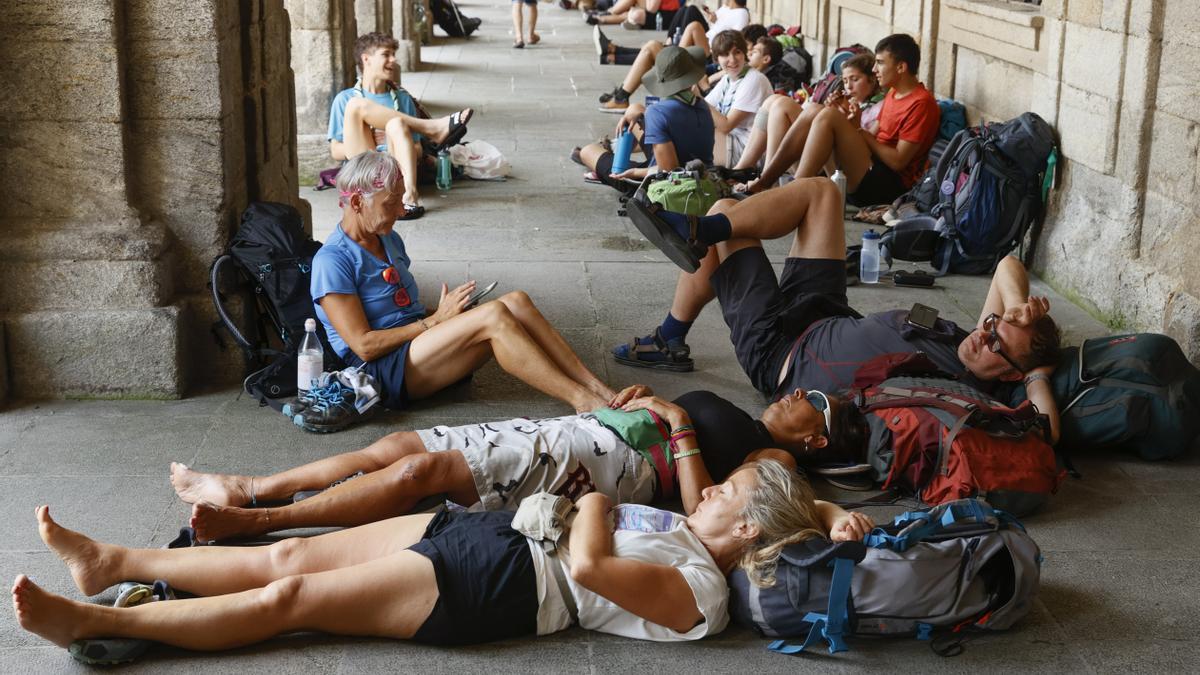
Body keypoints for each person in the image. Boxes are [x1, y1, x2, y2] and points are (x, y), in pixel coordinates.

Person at [15, 461, 876, 653]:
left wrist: (597, 504)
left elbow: (588, 568)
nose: (710, 488)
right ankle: (113, 559)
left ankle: (91, 620)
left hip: (501, 584)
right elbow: (799, 505)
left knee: (295, 600)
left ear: (754, 530)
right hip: (488, 533)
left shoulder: (702, 591)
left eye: (727, 489)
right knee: (294, 556)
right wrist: (838, 511)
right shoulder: (696, 531)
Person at [618, 178, 1065, 442]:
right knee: (824, 193)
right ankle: (697, 235)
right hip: (824, 311)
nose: (985, 333)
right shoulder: (975, 338)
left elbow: (1048, 428)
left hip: (782, 354)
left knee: (727, 213)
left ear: (1010, 374)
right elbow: (1009, 265)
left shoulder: (973, 387)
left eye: (997, 342)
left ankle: (671, 328)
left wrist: (1038, 372)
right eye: (993, 323)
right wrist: (1019, 311)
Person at [169, 382, 868, 541]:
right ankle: (253, 485)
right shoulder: (752, 416)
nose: (797, 391)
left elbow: (711, 507)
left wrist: (680, 423)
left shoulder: (772, 452)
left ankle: (258, 521)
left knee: (423, 472)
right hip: (591, 430)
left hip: (611, 463)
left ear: (815, 440)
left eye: (815, 401)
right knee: (404, 448)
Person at [308, 152, 616, 429]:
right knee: (493, 315)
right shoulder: (332, 261)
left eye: (401, 200)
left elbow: (403, 312)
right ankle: (582, 401)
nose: (401, 211)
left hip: (417, 344)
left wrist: (449, 315)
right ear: (359, 203)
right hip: (382, 371)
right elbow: (364, 346)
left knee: (517, 302)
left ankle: (599, 390)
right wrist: (437, 321)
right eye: (391, 203)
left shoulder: (387, 239)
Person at [748, 33, 938, 207]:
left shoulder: (921, 103)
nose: (874, 69)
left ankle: (792, 195)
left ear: (901, 67)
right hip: (868, 168)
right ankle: (765, 181)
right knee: (816, 109)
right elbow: (873, 137)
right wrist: (850, 122)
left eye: (880, 63)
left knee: (828, 116)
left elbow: (898, 162)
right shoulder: (894, 93)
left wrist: (857, 130)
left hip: (888, 187)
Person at [328, 32, 473, 217]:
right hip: (364, 172)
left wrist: (392, 143)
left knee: (396, 124)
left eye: (393, 54)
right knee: (356, 105)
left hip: (394, 172)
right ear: (366, 59)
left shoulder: (403, 99)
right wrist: (371, 137)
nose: (393, 60)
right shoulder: (345, 99)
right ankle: (432, 128)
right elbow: (336, 151)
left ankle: (410, 196)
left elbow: (418, 150)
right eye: (386, 54)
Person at [574, 46, 714, 186]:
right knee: (634, 109)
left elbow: (668, 173)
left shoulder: (657, 113)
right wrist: (640, 116)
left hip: (667, 187)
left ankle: (611, 162)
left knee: (587, 151)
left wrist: (635, 172)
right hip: (702, 175)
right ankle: (613, 156)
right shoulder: (702, 105)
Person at [734, 50, 883, 175]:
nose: (848, 86)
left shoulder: (877, 108)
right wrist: (832, 110)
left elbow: (861, 147)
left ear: (872, 80)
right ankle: (759, 172)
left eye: (855, 79)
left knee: (784, 104)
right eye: (845, 80)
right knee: (774, 101)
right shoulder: (848, 101)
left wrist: (836, 117)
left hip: (840, 168)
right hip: (819, 157)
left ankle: (764, 177)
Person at [596, 0, 751, 112]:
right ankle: (621, 95)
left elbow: (735, 42)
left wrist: (714, 74)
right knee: (652, 46)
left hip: (712, 55)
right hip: (708, 48)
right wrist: (714, 20)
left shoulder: (742, 14)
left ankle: (621, 95)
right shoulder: (725, 8)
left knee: (690, 24)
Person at [701, 30, 772, 166]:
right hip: (732, 141)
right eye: (725, 54)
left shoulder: (754, 79)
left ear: (745, 53)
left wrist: (698, 97)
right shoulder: (728, 78)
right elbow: (703, 108)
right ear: (717, 59)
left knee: (688, 138)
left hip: (749, 152)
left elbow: (726, 126)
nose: (732, 60)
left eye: (737, 52)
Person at [584, 0, 678, 31]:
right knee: (632, 13)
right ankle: (602, 17)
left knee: (635, 15)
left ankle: (605, 16)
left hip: (665, 15)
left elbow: (651, 8)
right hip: (656, 12)